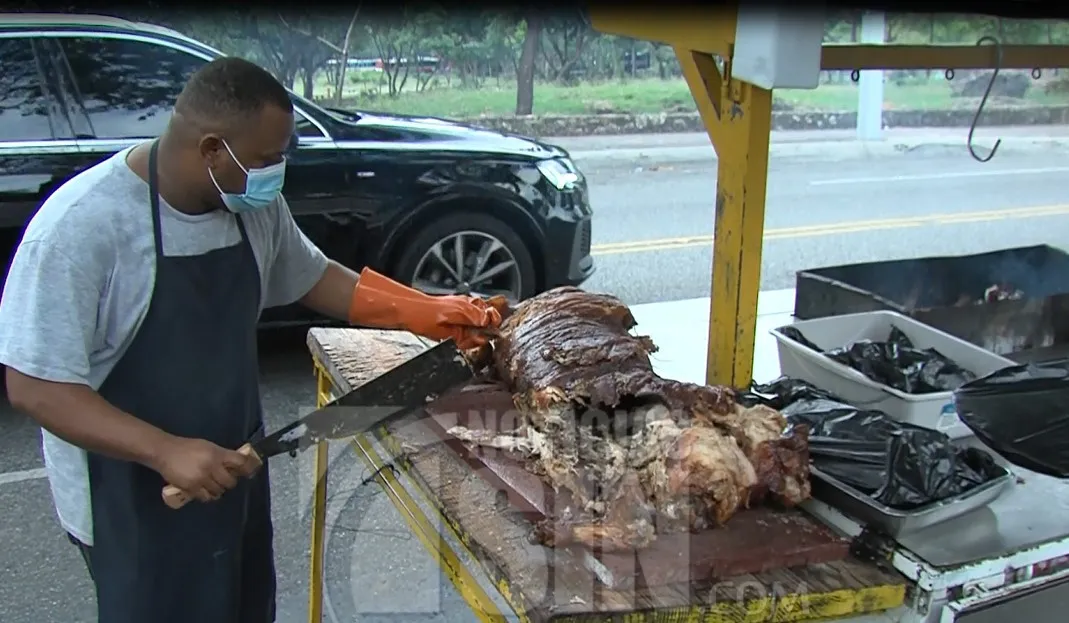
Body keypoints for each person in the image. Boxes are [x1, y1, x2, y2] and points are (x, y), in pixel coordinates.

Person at [0, 57, 504, 623]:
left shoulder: (247, 204)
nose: (277, 172)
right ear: (213, 149)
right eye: (267, 159)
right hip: (130, 499)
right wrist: (165, 451)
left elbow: (313, 276)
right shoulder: (80, 230)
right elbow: (35, 386)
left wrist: (426, 311)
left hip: (233, 468)